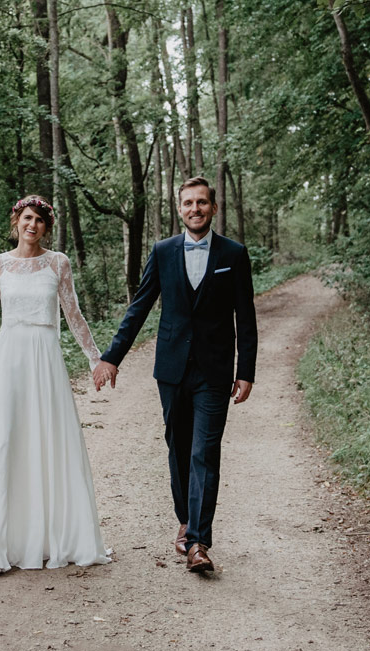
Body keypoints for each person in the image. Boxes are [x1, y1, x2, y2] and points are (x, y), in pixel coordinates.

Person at [0, 194, 111, 575]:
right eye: (28, 218)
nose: (34, 225)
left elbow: (74, 314)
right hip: (10, 360)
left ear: (47, 227)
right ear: (16, 221)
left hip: (45, 359)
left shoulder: (58, 263)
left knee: (46, 443)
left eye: (41, 220)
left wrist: (98, 361)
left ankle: (49, 537)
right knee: (2, 444)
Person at [93, 176, 257, 573]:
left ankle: (199, 542)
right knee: (179, 448)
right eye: (188, 203)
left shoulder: (234, 254)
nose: (195, 209)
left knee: (206, 451)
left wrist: (246, 370)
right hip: (171, 370)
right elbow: (140, 307)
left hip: (215, 371)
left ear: (213, 209)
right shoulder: (163, 251)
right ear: (179, 209)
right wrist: (111, 356)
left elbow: (246, 317)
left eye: (202, 202)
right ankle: (185, 520)